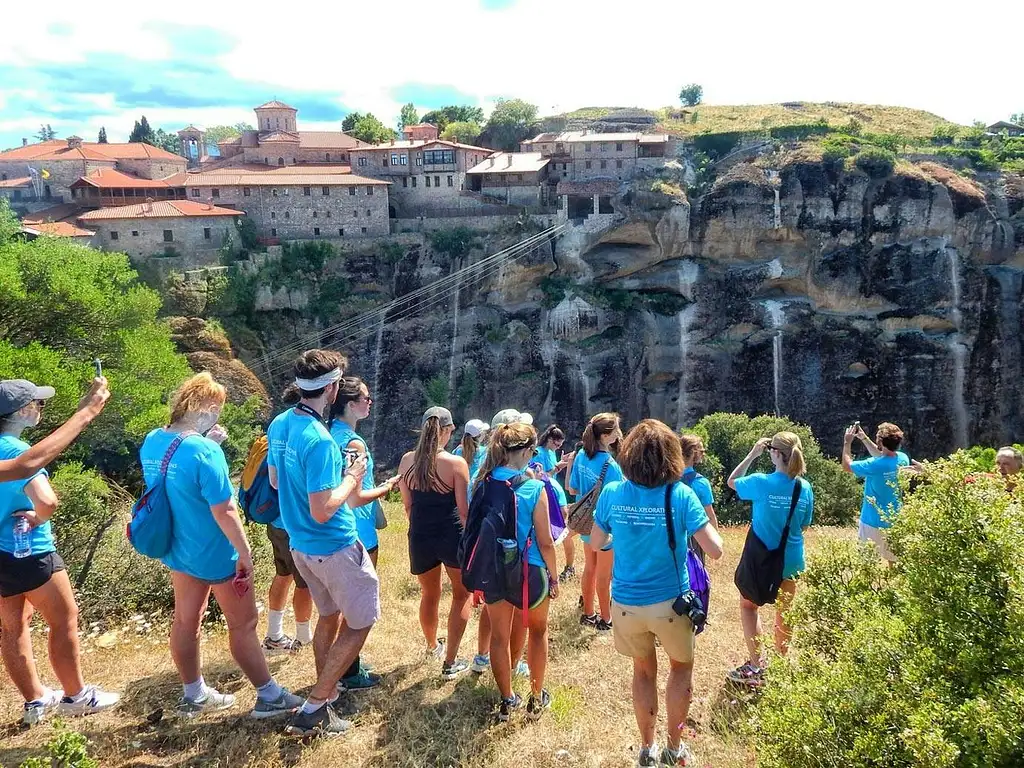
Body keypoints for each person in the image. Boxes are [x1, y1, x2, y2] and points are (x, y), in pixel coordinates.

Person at [138, 373, 301, 719]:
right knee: (243, 625)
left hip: (179, 550)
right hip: (215, 551)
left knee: (186, 621)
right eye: (217, 409)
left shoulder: (153, 441)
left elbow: (178, 477)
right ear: (204, 407)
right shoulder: (205, 450)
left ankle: (194, 693)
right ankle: (269, 696)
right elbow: (225, 510)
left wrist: (205, 441)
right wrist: (245, 553)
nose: (218, 415)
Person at [591, 419, 723, 766]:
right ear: (672, 456)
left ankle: (647, 749)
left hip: (625, 603)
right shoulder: (680, 495)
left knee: (643, 671)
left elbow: (596, 541)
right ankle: (675, 748)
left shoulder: (613, 492)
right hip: (671, 603)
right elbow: (715, 550)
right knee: (681, 669)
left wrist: (624, 536)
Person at [267, 350, 377, 737]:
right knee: (361, 620)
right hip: (333, 545)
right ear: (331, 389)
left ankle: (324, 695)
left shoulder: (280, 424)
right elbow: (323, 509)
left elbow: (278, 482)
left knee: (328, 616)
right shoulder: (320, 440)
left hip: (302, 547)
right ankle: (314, 707)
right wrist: (352, 476)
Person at [0, 379, 120, 725]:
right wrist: (39, 517)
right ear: (22, 411)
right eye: (38, 404)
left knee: (13, 628)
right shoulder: (15, 450)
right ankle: (76, 695)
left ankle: (35, 701)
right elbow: (47, 500)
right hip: (32, 552)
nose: (40, 409)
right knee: (64, 621)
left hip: (1, 557)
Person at [474, 422, 560, 722]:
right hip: (530, 571)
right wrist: (555, 575)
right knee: (538, 632)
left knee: (498, 636)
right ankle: (536, 698)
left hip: (494, 570)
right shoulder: (535, 488)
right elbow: (546, 542)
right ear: (525, 451)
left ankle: (507, 699)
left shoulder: (483, 482)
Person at [328, 376, 399, 689]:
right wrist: (385, 487)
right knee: (357, 607)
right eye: (366, 399)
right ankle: (349, 672)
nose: (370, 403)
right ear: (349, 404)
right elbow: (356, 496)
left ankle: (343, 663)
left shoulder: (327, 434)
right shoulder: (355, 444)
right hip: (360, 532)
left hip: (332, 529)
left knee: (337, 606)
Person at [726, 432, 813, 685]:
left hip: (762, 557)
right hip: (793, 560)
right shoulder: (803, 487)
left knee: (749, 606)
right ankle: (780, 666)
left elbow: (732, 481)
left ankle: (756, 665)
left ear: (775, 453)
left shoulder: (761, 482)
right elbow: (805, 524)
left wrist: (753, 453)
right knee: (784, 613)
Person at [397, 406, 473, 680]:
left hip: (420, 534)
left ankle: (432, 647)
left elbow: (407, 505)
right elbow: (463, 511)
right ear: (447, 430)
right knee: (462, 595)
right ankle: (451, 661)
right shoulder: (455, 464)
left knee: (430, 595)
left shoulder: (407, 461)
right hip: (451, 534)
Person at [260, 385, 313, 656]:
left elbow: (274, 479)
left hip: (277, 518)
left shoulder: (277, 424)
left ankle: (274, 634)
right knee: (305, 583)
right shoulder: (307, 428)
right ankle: (303, 638)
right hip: (298, 522)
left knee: (283, 575)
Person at [567, 412, 623, 631]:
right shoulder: (611, 466)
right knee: (604, 575)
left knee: (589, 568)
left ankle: (588, 613)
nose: (619, 433)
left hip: (585, 524)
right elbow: (618, 501)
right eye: (616, 429)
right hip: (604, 528)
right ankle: (606, 618)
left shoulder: (582, 455)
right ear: (606, 435)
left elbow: (573, 488)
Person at [0, 377, 109, 484]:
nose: (41, 407)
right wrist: (86, 413)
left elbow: (20, 468)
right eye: (40, 403)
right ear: (23, 410)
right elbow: (23, 467)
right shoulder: (17, 449)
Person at [842, 422, 909, 563]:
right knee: (895, 562)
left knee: (867, 564)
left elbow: (847, 466)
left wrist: (847, 443)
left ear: (881, 442)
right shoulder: (903, 459)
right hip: (894, 519)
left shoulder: (873, 465)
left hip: (871, 521)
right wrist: (864, 438)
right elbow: (882, 455)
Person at [537, 425, 576, 581]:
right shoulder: (539, 453)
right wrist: (558, 466)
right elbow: (542, 475)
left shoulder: (551, 452)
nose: (558, 447)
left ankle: (569, 566)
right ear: (550, 440)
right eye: (557, 444)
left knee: (564, 525)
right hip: (547, 492)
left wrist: (560, 464)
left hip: (555, 491)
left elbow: (552, 471)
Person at [679, 433, 719, 564]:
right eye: (702, 451)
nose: (703, 454)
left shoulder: (666, 479)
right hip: (695, 537)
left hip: (670, 536)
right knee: (696, 579)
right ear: (693, 453)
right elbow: (709, 514)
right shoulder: (701, 483)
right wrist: (715, 540)